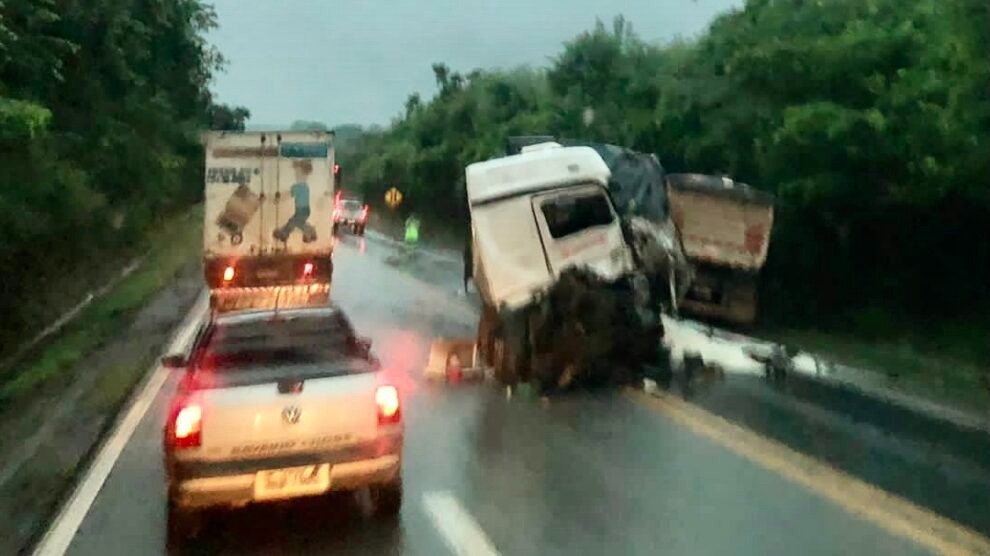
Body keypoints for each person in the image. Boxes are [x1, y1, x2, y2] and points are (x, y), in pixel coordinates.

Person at [273, 159, 318, 243]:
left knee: (294, 222)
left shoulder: (299, 186)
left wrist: (279, 199)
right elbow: (289, 193)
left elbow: (288, 194)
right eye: (296, 173)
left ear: (304, 174)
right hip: (303, 210)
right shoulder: (304, 186)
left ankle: (284, 233)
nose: (296, 175)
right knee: (298, 223)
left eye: (298, 173)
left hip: (302, 210)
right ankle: (310, 232)